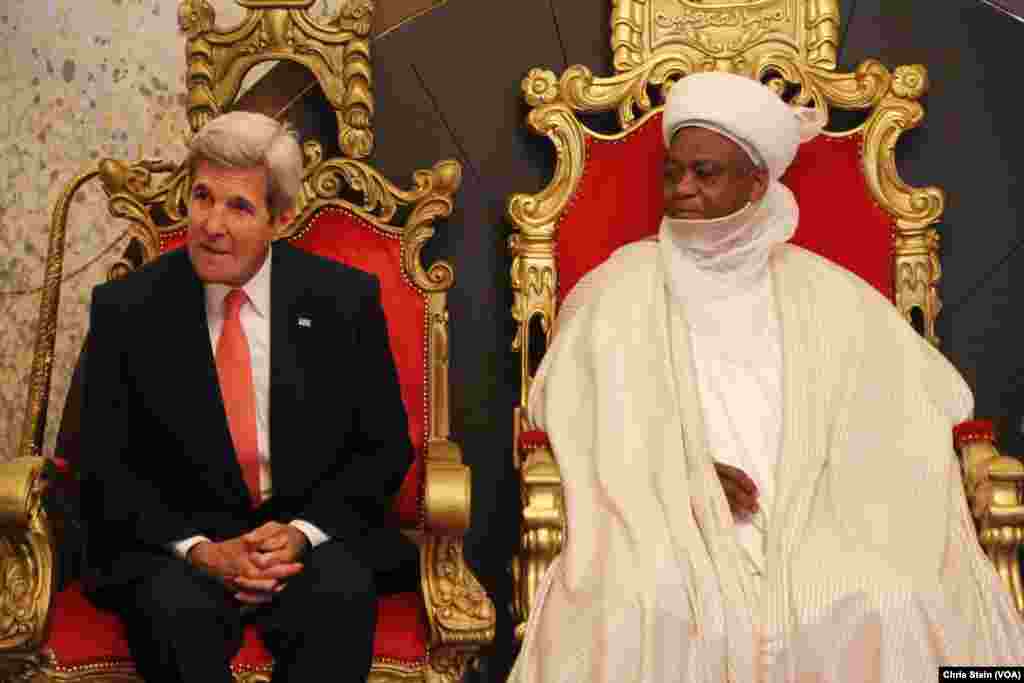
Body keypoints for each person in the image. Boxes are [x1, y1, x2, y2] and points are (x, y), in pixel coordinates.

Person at [507, 72, 1024, 682]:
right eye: (673, 172)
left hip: (824, 514)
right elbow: (569, 409)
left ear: (756, 183)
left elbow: (914, 406)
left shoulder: (825, 290)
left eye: (706, 173)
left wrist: (832, 487)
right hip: (663, 519)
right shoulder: (617, 286)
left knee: (886, 598)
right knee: (640, 606)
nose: (683, 189)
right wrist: (680, 473)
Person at [80, 111, 417, 682]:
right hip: (182, 550)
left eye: (238, 207)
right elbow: (107, 468)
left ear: (280, 220)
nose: (211, 224)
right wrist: (203, 551)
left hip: (306, 544)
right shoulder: (127, 310)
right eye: (202, 197)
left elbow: (381, 450)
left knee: (342, 595)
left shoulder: (342, 302)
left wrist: (299, 536)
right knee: (168, 610)